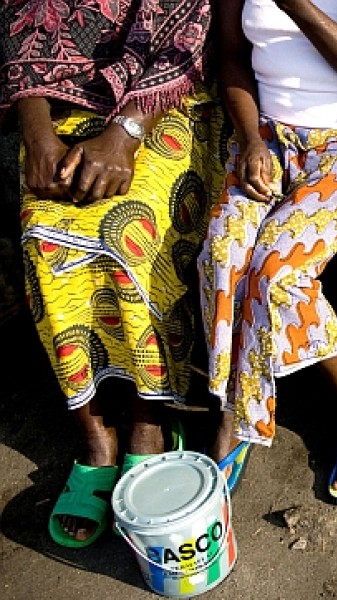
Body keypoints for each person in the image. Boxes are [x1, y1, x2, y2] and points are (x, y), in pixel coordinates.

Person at [0, 0, 222, 547]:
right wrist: (36, 136)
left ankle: (149, 419)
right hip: (64, 104)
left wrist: (124, 136)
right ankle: (96, 434)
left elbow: (193, 29)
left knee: (133, 228)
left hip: (170, 103)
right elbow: (19, 22)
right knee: (45, 234)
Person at [199, 0, 337, 501]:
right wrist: (250, 138)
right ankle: (235, 413)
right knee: (222, 254)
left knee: (277, 273)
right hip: (266, 138)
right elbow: (233, 57)